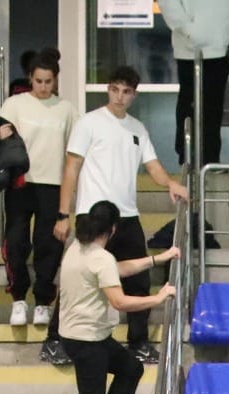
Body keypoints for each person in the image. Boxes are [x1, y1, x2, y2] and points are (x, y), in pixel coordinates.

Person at [55, 66, 189, 364]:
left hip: (126, 214)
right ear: (108, 89)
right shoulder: (89, 123)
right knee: (80, 275)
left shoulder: (137, 129)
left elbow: (152, 165)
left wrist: (171, 183)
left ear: (134, 95)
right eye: (114, 89)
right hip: (94, 213)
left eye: (126, 91)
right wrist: (63, 214)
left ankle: (138, 342)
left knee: (139, 279)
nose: (119, 96)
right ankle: (58, 340)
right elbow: (71, 168)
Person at [57, 200, 177, 394]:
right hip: (87, 341)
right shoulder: (100, 258)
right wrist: (157, 298)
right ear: (113, 229)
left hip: (80, 335)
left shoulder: (78, 247)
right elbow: (119, 301)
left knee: (131, 368)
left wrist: (156, 260)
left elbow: (116, 269)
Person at [0, 49, 78, 328]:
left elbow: (76, 150)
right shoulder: (14, 104)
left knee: (49, 244)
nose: (43, 87)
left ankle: (43, 300)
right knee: (16, 241)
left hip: (52, 184)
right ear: (30, 78)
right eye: (39, 81)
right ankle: (18, 298)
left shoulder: (66, 109)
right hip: (21, 181)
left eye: (48, 81)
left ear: (56, 80)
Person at [157, 0, 229, 167]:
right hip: (189, 49)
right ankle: (187, 159)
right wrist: (187, 29)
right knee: (190, 104)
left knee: (213, 110)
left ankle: (211, 161)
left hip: (221, 45)